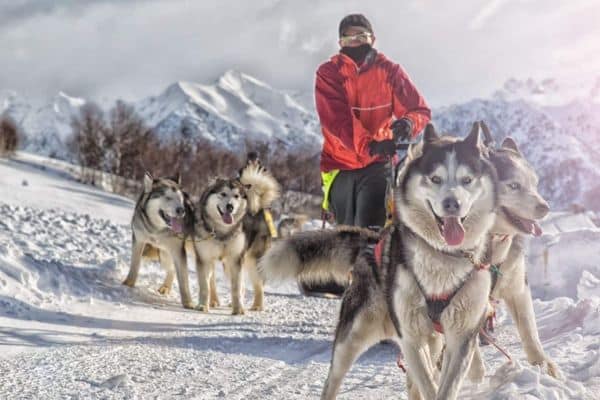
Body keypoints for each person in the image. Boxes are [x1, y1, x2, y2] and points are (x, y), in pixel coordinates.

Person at [302, 13, 431, 296]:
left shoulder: (389, 71)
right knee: (347, 233)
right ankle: (345, 286)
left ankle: (372, 299)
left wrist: (408, 124)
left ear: (372, 38)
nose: (356, 42)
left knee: (372, 231)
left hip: (378, 164)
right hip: (340, 164)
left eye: (362, 36)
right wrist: (370, 144)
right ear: (340, 42)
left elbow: (419, 110)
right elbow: (337, 122)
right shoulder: (329, 72)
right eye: (349, 37)